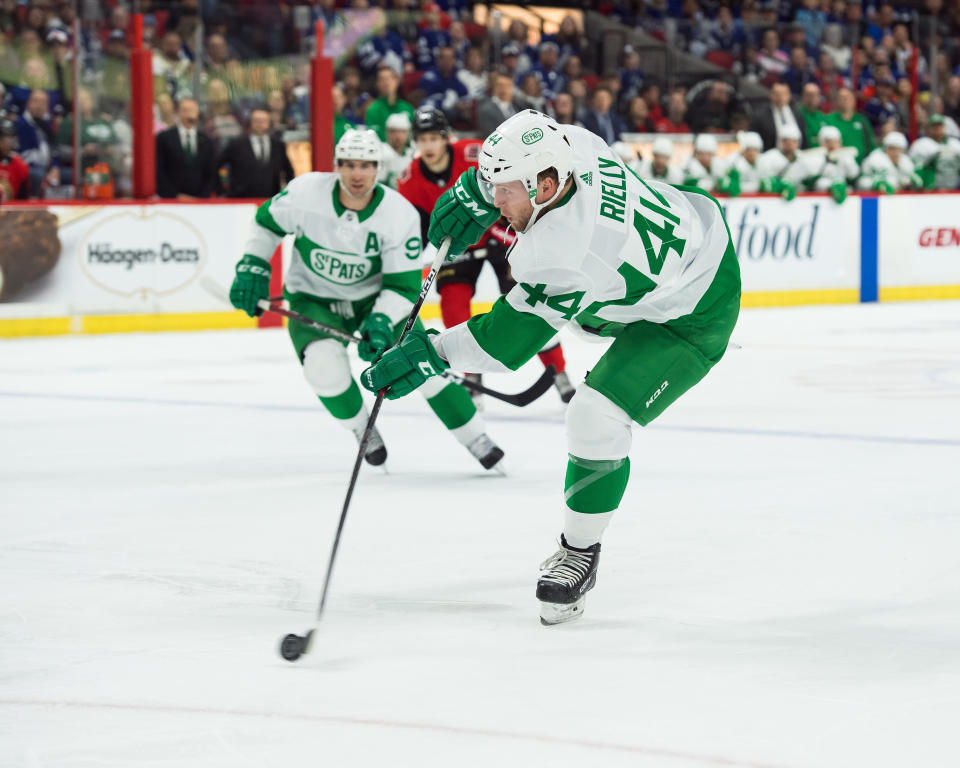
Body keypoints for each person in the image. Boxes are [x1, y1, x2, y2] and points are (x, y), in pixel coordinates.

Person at [360, 110, 741, 624]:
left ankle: (579, 551)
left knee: (594, 419)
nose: (497, 201)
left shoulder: (563, 253)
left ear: (544, 186)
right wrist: (475, 190)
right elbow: (519, 162)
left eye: (505, 191)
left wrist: (431, 353)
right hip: (679, 246)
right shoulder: (572, 146)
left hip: (693, 311)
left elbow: (503, 344)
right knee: (587, 319)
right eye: (493, 186)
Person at [228, 128, 504, 470]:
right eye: (349, 164)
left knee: (421, 363)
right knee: (323, 368)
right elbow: (266, 223)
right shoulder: (305, 193)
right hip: (314, 299)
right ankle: (363, 429)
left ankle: (475, 437)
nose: (357, 173)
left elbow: (403, 287)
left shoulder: (397, 213)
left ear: (378, 168)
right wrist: (253, 263)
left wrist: (380, 320)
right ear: (337, 166)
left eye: (366, 165)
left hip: (377, 300)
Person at [397, 107, 574, 402]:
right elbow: (415, 228)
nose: (428, 146)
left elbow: (510, 184)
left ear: (445, 137)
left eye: (433, 138)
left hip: (500, 239)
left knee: (530, 305)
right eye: (422, 139)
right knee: (454, 306)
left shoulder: (473, 153)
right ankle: (471, 375)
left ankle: (559, 373)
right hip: (457, 250)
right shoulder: (410, 179)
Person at [217, 108, 295, 199]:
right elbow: (216, 164)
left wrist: (289, 195)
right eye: (256, 121)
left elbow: (288, 171)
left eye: (263, 121)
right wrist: (220, 191)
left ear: (269, 123)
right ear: (250, 122)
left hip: (270, 200)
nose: (260, 124)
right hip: (240, 200)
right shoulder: (236, 144)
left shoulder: (278, 145)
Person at [155, 97, 217, 199]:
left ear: (197, 114)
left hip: (199, 201)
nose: (189, 115)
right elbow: (159, 170)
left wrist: (201, 197)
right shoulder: (164, 138)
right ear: (179, 113)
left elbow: (211, 172)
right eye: (186, 111)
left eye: (192, 111)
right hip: (171, 200)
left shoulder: (206, 141)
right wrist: (174, 195)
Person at [14, 89, 58, 197]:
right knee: (38, 174)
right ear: (28, 103)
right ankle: (34, 204)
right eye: (36, 101)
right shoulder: (20, 124)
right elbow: (21, 156)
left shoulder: (48, 125)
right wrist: (45, 170)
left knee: (71, 175)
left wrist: (55, 167)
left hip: (47, 169)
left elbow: (55, 150)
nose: (39, 106)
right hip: (28, 168)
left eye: (43, 103)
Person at [809, 124, 861, 202]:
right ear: (821, 143)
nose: (832, 145)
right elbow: (813, 183)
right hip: (821, 198)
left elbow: (853, 174)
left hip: (843, 196)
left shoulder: (845, 156)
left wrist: (847, 159)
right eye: (828, 142)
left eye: (835, 141)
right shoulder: (815, 158)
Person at [364, 66, 416, 142]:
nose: (386, 82)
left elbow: (413, 135)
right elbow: (372, 138)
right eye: (382, 79)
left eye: (389, 78)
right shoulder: (373, 110)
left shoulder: (407, 107)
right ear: (377, 84)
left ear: (397, 81)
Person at [909, 114, 960, 190]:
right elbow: (917, 169)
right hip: (932, 189)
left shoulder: (955, 144)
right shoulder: (921, 145)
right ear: (928, 128)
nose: (938, 129)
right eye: (934, 126)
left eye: (940, 126)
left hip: (955, 187)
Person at [753, 83, 808, 151]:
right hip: (771, 156)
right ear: (771, 95)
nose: (780, 97)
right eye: (777, 94)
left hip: (796, 154)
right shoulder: (760, 116)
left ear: (789, 95)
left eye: (784, 94)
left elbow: (804, 137)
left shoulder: (797, 113)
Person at [827, 87, 875, 163]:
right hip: (839, 165)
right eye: (842, 98)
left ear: (854, 100)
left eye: (848, 97)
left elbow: (870, 144)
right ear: (837, 101)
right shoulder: (829, 120)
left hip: (862, 164)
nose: (845, 100)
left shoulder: (862, 120)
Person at [477, 72, 525, 138]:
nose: (504, 89)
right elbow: (491, 137)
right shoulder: (486, 109)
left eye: (508, 85)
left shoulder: (519, 106)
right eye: (500, 85)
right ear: (494, 87)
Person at [718, 131, 764, 196]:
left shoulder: (763, 162)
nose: (751, 153)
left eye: (755, 149)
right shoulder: (733, 162)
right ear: (743, 150)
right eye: (748, 149)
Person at [378, 111, 414, 189]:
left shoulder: (412, 154)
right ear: (387, 132)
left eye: (402, 131)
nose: (398, 136)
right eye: (393, 131)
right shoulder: (381, 152)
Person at [0, 116, 29, 202]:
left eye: (10, 137)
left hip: (12, 212)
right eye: (3, 138)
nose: (7, 141)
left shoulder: (20, 166)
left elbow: (23, 200)